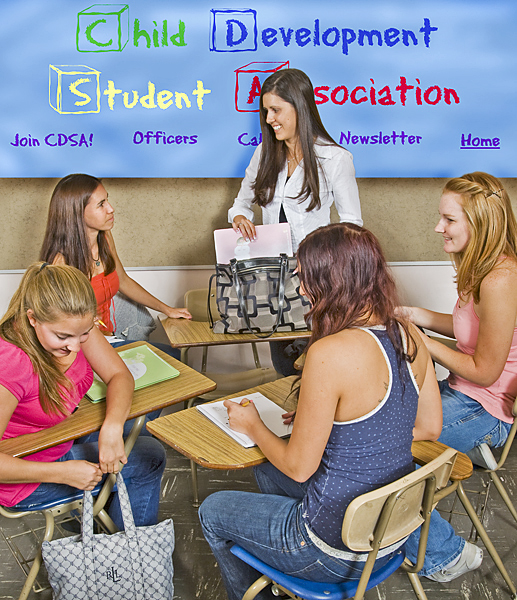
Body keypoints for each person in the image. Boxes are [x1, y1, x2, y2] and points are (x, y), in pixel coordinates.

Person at [199, 223, 442, 600]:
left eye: (304, 278)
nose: (298, 289)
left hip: (333, 551)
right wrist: (341, 427)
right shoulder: (408, 334)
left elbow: (299, 468)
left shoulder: (329, 354)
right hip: (390, 537)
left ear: (333, 280)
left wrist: (253, 425)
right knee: (265, 468)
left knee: (212, 511)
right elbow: (429, 426)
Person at [402, 171, 517, 581]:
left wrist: (421, 339)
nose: (439, 227)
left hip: (485, 412)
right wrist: (415, 316)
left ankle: (447, 555)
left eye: (449, 219)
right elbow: (469, 328)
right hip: (459, 395)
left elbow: (485, 372)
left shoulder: (502, 279)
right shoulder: (482, 266)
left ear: (480, 221)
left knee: (388, 453)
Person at [0, 262, 166, 530]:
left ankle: (106, 541)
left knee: (121, 435)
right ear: (32, 318)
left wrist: (111, 427)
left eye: (85, 333)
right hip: (22, 478)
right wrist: (62, 473)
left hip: (56, 440)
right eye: (63, 336)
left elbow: (120, 376)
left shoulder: (74, 326)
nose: (77, 346)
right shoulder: (11, 362)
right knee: (150, 456)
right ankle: (125, 559)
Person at [228, 68, 362, 376]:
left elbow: (352, 226)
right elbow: (241, 203)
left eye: (276, 110)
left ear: (300, 107)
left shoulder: (335, 159)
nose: (270, 118)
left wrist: (332, 269)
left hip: (319, 278)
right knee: (284, 364)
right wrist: (239, 217)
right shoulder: (264, 153)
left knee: (318, 362)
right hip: (271, 276)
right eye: (266, 111)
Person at [40, 173, 191, 345]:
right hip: (83, 345)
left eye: (107, 200)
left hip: (109, 337)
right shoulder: (60, 263)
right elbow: (55, 323)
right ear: (77, 213)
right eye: (101, 204)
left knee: (172, 356)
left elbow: (123, 281)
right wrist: (84, 324)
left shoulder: (104, 238)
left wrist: (167, 309)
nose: (111, 209)